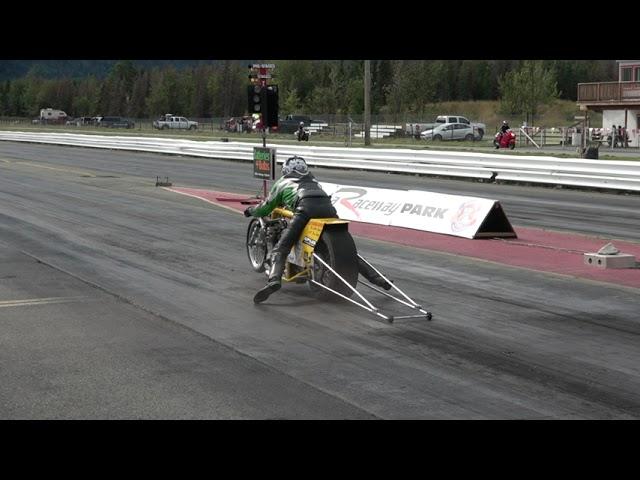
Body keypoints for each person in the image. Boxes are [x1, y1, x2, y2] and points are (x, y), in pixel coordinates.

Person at [244, 155, 392, 304]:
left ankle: (274, 280)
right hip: (328, 208)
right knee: (348, 252)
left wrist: (250, 210)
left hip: (305, 209)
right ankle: (379, 279)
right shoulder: (313, 180)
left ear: (286, 170)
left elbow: (266, 207)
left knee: (282, 247)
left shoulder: (283, 182)